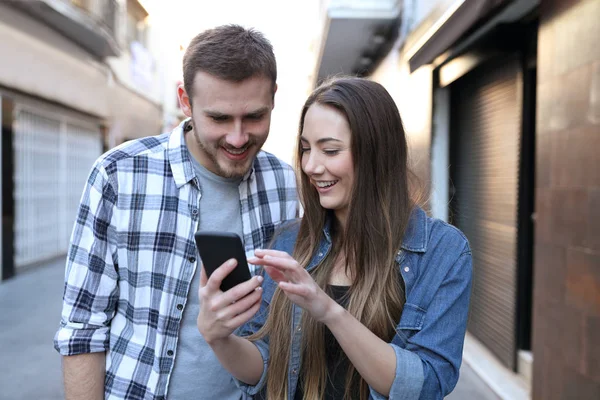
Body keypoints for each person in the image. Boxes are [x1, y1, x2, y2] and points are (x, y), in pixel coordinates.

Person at [54, 25, 298, 400]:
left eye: (253, 116)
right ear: (185, 100)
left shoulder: (286, 183)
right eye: (218, 118)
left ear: (274, 98)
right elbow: (83, 326)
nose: (237, 138)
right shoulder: (118, 174)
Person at [197, 76, 473, 400]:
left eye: (329, 150)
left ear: (375, 153)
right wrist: (219, 338)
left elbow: (428, 383)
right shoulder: (290, 241)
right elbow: (264, 366)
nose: (311, 166)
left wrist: (328, 310)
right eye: (305, 149)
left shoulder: (444, 252)